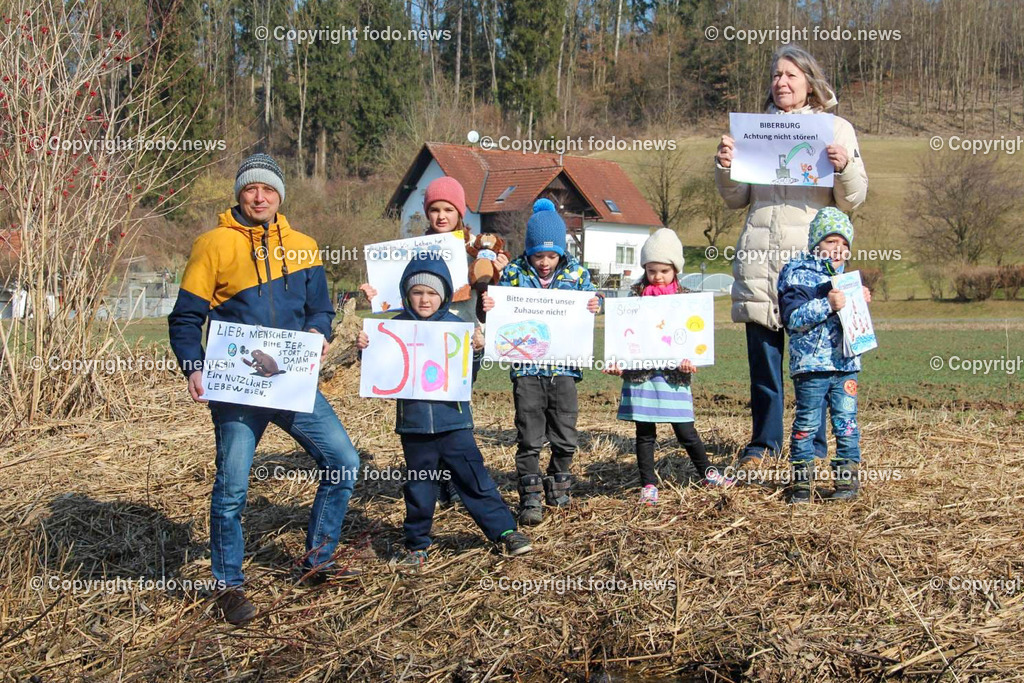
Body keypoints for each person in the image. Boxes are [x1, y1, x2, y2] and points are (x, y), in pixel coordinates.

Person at [168, 153, 361, 625]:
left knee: (344, 461)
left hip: (292, 382)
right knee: (232, 486)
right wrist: (194, 368)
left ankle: (318, 558)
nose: (260, 197)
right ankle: (228, 585)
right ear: (239, 193)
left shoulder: (305, 246)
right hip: (236, 387)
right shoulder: (211, 244)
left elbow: (321, 311)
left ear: (280, 196)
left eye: (269, 190)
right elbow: (185, 318)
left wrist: (321, 334)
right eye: (252, 189)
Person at [714, 44, 868, 468]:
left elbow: (852, 199)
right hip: (760, 259)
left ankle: (812, 448)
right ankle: (764, 444)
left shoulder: (835, 129)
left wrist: (845, 166)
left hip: (809, 264)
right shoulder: (754, 130)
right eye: (776, 75)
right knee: (764, 362)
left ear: (810, 83)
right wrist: (726, 165)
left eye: (791, 76)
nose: (781, 82)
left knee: (813, 360)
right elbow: (735, 198)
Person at [356, 254, 532, 568]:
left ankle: (505, 531)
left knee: (474, 479)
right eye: (417, 292)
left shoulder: (457, 327)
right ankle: (417, 545)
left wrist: (476, 353)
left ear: (445, 295)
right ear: (406, 295)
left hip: (455, 424)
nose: (424, 299)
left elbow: (469, 376)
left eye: (432, 293)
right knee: (420, 487)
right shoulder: (394, 328)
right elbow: (380, 371)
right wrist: (366, 349)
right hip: (414, 429)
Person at [360, 177, 506, 507]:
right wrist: (375, 293)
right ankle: (436, 481)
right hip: (424, 342)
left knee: (456, 408)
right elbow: (395, 292)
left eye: (448, 209)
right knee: (430, 408)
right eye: (435, 209)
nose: (441, 216)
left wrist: (498, 275)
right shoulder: (412, 251)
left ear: (460, 211)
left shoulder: (477, 249)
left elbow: (490, 294)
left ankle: (456, 478)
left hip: (465, 340)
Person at [481, 200, 601, 525]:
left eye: (551, 255)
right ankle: (530, 496)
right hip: (527, 370)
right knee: (529, 434)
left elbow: (595, 298)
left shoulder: (577, 274)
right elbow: (499, 313)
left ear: (561, 251)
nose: (545, 262)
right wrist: (491, 304)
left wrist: (595, 305)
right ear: (529, 251)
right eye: (538, 255)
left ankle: (558, 483)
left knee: (566, 432)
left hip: (564, 369)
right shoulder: (514, 274)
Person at [605, 229, 734, 505]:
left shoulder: (687, 300)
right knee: (645, 434)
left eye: (664, 270)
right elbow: (623, 336)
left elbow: (694, 337)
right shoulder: (634, 299)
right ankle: (648, 485)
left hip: (674, 378)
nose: (657, 276)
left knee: (686, 432)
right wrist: (619, 362)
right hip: (641, 378)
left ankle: (708, 473)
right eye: (651, 270)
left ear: (675, 269)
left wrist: (691, 361)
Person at [778, 207, 870, 503]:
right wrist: (827, 303)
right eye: (831, 241)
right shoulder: (796, 272)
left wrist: (861, 301)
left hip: (846, 365)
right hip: (811, 367)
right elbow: (792, 319)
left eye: (844, 244)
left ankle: (846, 485)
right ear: (816, 243)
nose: (838, 249)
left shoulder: (848, 279)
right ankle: (802, 485)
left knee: (847, 423)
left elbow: (854, 324)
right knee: (806, 423)